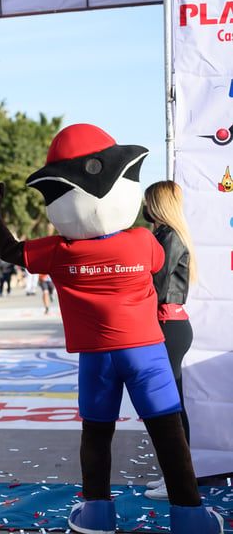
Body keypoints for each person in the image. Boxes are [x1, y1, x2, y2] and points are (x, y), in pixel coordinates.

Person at [0, 123, 221, 534]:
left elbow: (8, 251)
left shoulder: (57, 250)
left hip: (96, 357)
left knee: (97, 436)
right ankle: (190, 516)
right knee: (168, 435)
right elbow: (160, 266)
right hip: (147, 352)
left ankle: (99, 515)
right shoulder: (143, 240)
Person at [142, 180, 198, 502]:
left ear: (157, 204)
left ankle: (178, 478)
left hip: (169, 328)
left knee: (170, 407)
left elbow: (156, 287)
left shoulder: (169, 238)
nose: (144, 208)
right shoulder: (165, 236)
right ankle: (174, 474)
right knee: (169, 405)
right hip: (167, 326)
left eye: (148, 202)